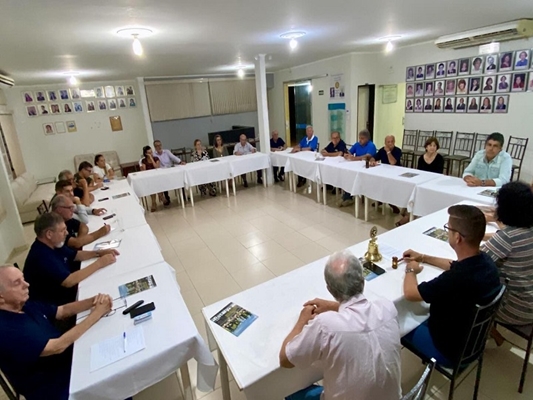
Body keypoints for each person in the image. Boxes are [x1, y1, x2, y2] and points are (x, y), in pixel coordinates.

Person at [279, 251, 401, 400]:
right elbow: (361, 317)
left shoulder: (326, 325)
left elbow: (286, 360)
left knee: (293, 394)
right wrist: (334, 306)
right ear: (363, 281)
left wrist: (302, 320)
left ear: (329, 289)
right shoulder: (387, 307)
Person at [401, 205, 501, 366]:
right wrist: (424, 257)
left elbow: (411, 293)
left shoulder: (454, 279)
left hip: (449, 350)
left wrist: (410, 269)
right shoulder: (486, 262)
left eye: (448, 228)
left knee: (399, 322)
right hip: (474, 340)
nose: (447, 231)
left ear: (457, 238)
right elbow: (454, 264)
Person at [0, 264, 113, 400]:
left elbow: (63, 310)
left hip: (67, 361)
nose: (26, 285)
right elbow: (57, 346)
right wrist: (96, 314)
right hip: (52, 385)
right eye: (17, 283)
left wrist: (94, 301)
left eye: (23, 279)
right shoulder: (6, 329)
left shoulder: (23, 304)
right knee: (111, 375)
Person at [23, 212, 118, 306]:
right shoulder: (41, 256)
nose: (67, 233)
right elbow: (69, 281)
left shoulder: (54, 243)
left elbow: (75, 255)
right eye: (62, 230)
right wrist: (100, 263)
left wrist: (98, 253)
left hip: (67, 290)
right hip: (56, 304)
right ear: (49, 234)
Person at [480, 182, 533, 345]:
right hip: (529, 299)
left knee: (462, 291)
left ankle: (481, 333)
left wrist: (425, 257)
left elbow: (473, 264)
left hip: (517, 308)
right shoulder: (527, 228)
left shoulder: (506, 238)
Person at [396, 138, 445, 226]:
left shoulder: (439, 158)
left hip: (433, 184)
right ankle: (408, 212)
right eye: (430, 145)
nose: (432, 148)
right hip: (422, 182)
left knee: (419, 196)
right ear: (426, 147)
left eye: (434, 146)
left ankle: (408, 217)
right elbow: (419, 173)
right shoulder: (422, 158)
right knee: (412, 191)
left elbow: (439, 174)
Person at [153, 139, 185, 205]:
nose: (159, 147)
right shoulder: (154, 155)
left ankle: (183, 195)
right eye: (157, 146)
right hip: (162, 173)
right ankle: (166, 197)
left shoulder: (166, 152)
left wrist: (180, 161)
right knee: (163, 181)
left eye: (160, 145)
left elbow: (173, 157)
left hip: (170, 170)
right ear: (155, 147)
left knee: (180, 178)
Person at [140, 145, 166, 211]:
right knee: (151, 184)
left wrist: (151, 159)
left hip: (156, 177)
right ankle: (154, 201)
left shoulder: (156, 158)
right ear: (146, 154)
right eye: (149, 153)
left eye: (151, 152)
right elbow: (144, 170)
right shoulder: (143, 161)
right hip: (149, 178)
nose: (151, 154)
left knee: (156, 182)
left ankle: (160, 196)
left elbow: (156, 167)